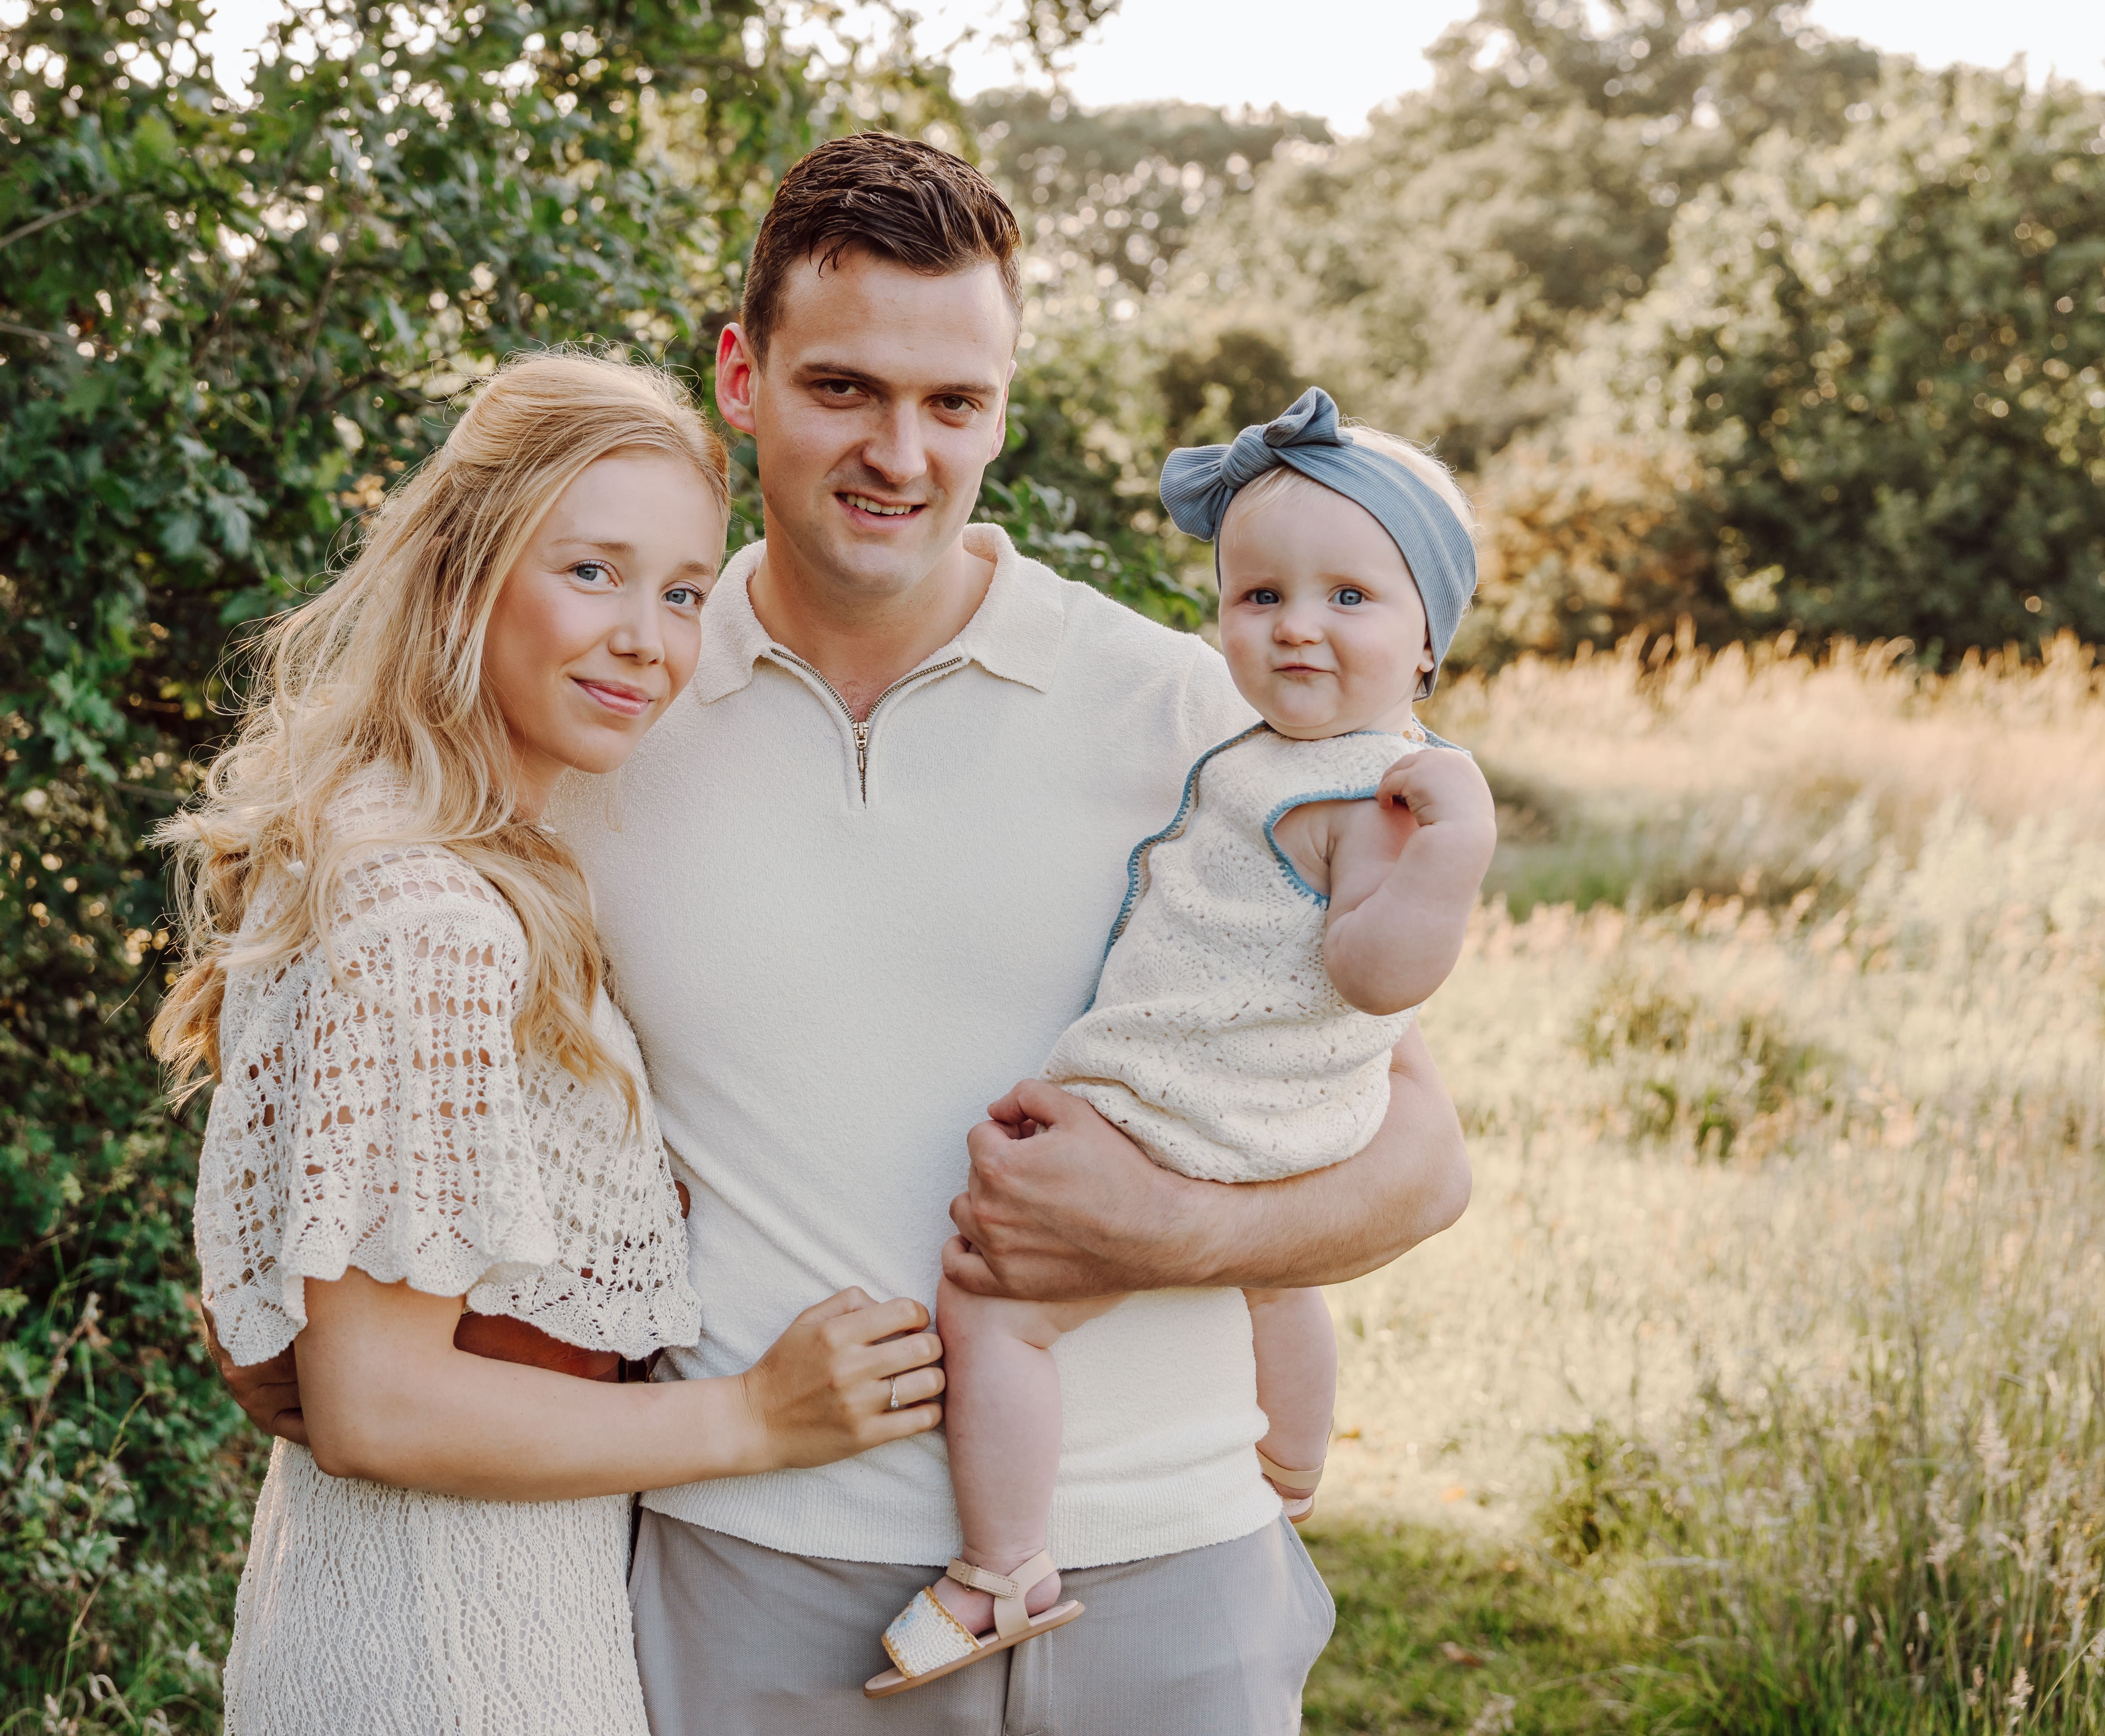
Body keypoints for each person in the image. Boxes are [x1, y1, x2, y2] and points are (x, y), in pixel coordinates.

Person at [213, 135, 1471, 1735]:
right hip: (760, 1577)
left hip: (1169, 1560)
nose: (902, 453)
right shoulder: (609, 715)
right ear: (742, 375)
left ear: (1006, 403)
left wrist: (1166, 1234)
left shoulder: (1192, 712)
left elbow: (1420, 1149)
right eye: (845, 389)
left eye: (956, 403)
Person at [155, 352, 947, 1736]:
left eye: (686, 591)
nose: (649, 637)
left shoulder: (455, 844)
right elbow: (378, 1402)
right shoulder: (430, 914)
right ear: (467, 571)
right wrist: (759, 1418)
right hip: (450, 1650)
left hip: (419, 1601)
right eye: (593, 571)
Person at [869, 386, 1498, 1696]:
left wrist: (1453, 850)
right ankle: (1292, 1466)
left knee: (993, 1307)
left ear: (1429, 638)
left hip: (1198, 1108)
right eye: (1260, 597)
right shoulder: (1267, 749)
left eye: (1350, 600)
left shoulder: (1384, 787)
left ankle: (1003, 1566)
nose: (1298, 629)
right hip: (1259, 1114)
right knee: (1281, 1278)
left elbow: (1379, 973)